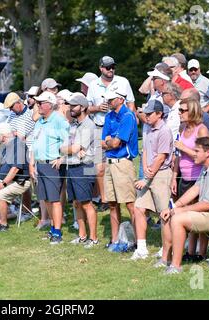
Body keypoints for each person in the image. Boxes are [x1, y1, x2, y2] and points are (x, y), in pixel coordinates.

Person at [159, 138, 209, 274]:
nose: (194, 154)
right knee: (167, 214)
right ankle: (165, 260)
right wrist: (175, 206)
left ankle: (176, 266)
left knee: (177, 219)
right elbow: (195, 189)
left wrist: (179, 210)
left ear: (208, 153)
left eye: (197, 151)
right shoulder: (208, 166)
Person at [87, 56, 136, 211]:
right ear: (101, 68)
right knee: (99, 167)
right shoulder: (93, 85)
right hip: (100, 125)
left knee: (116, 155)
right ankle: (104, 199)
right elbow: (87, 108)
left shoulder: (123, 81)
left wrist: (130, 120)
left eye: (113, 67)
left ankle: (115, 198)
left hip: (120, 124)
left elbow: (131, 103)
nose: (111, 70)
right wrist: (97, 108)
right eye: (108, 67)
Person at [132, 99, 173, 260]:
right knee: (139, 208)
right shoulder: (148, 129)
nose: (146, 116)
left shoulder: (165, 131)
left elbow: (161, 157)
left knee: (164, 214)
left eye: (149, 114)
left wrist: (147, 177)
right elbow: (146, 153)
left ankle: (166, 249)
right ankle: (141, 248)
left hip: (161, 175)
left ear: (159, 114)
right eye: (146, 113)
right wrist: (146, 173)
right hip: (149, 174)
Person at [171, 97, 209, 262]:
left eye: (182, 110)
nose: (179, 113)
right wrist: (174, 177)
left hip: (198, 178)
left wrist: (184, 148)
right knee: (187, 214)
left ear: (193, 111)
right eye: (179, 110)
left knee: (198, 216)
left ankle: (201, 253)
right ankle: (190, 251)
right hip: (184, 177)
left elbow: (206, 155)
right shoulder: (182, 128)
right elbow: (178, 156)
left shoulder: (201, 130)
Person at [101, 88, 138, 252]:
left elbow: (115, 143)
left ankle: (138, 241)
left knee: (130, 203)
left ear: (121, 99)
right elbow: (102, 142)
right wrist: (110, 141)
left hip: (123, 163)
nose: (108, 102)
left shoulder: (128, 116)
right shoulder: (108, 116)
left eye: (111, 99)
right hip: (109, 163)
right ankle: (115, 240)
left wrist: (110, 141)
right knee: (112, 203)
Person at [30, 91, 69, 244]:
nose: (37, 105)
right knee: (45, 199)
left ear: (50, 104)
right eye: (37, 103)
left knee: (54, 200)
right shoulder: (40, 121)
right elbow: (34, 144)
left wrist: (62, 157)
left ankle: (57, 233)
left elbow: (70, 139)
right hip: (40, 164)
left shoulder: (59, 120)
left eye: (40, 103)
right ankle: (53, 228)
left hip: (52, 164)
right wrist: (31, 164)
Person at [60, 93, 98, 248]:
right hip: (72, 166)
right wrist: (70, 149)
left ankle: (93, 238)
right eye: (69, 105)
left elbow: (73, 148)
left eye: (73, 106)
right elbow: (63, 147)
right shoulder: (73, 125)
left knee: (87, 203)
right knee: (76, 203)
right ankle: (82, 236)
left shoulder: (89, 125)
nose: (70, 108)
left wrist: (72, 149)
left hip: (84, 168)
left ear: (82, 107)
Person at [4, 92, 36, 224]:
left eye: (11, 107)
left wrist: (14, 133)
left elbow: (21, 136)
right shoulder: (12, 114)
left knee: (29, 182)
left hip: (30, 152)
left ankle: (29, 210)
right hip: (15, 151)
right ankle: (24, 209)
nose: (10, 110)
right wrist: (13, 133)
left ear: (18, 103)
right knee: (21, 181)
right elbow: (6, 131)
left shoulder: (29, 114)